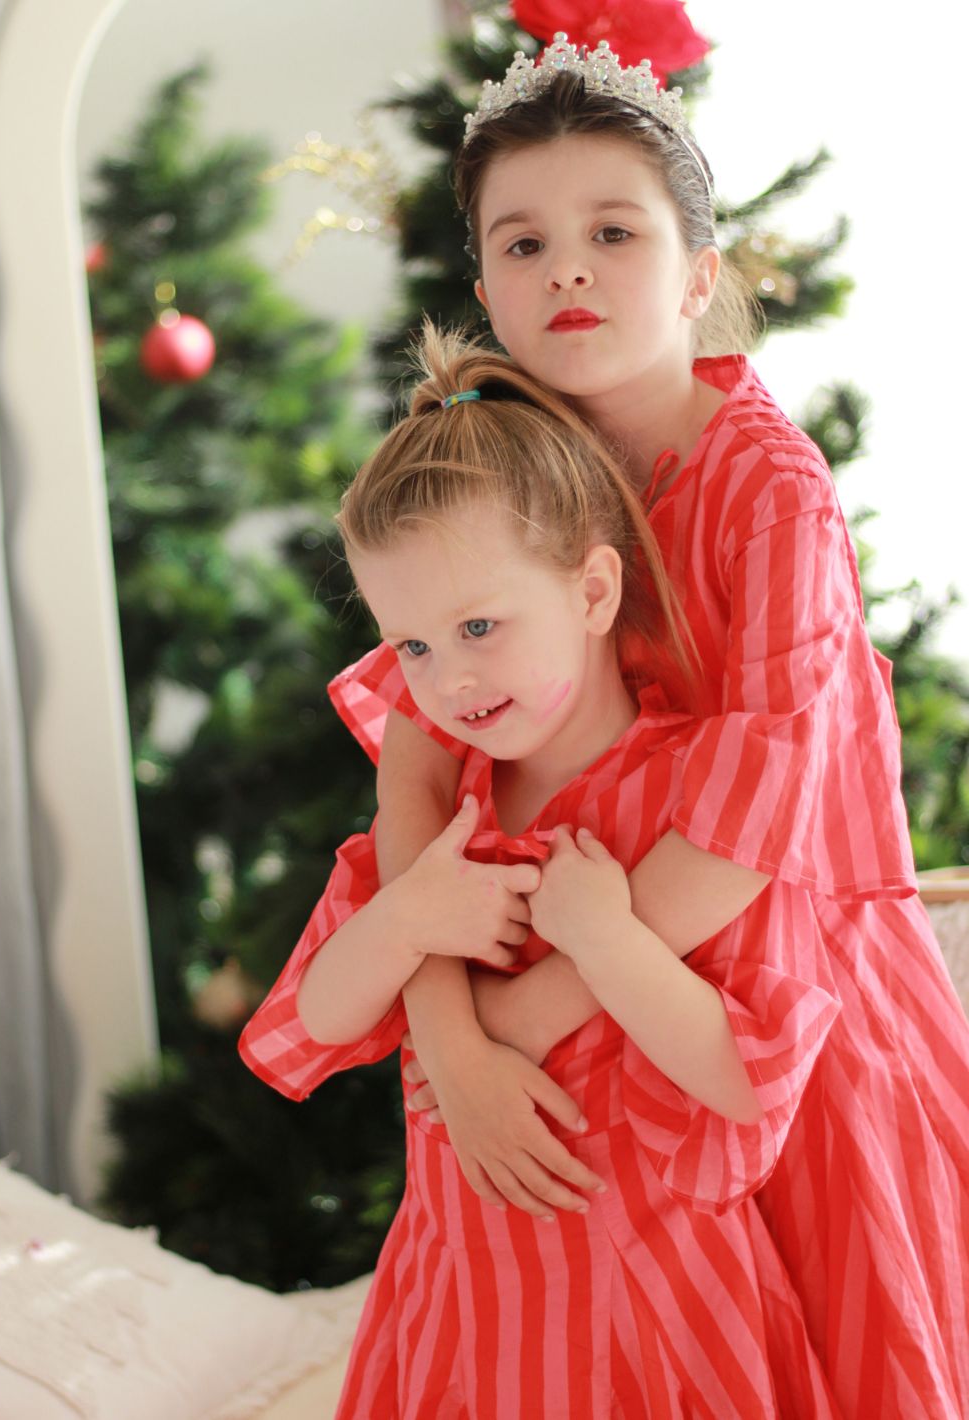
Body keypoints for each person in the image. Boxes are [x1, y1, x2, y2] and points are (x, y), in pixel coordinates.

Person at [320, 34, 969, 1417]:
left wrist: (531, 1018)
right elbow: (420, 790)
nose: (567, 267)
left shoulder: (769, 492)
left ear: (696, 273)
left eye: (613, 231)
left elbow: (748, 831)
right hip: (565, 959)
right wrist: (453, 1048)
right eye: (523, 240)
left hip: (771, 991)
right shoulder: (502, 452)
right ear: (483, 283)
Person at [241, 325, 853, 1414]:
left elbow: (741, 1080)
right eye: (413, 647)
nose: (448, 678)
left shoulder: (688, 812)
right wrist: (410, 913)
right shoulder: (444, 814)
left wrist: (608, 938)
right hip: (463, 1314)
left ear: (591, 590)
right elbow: (321, 1019)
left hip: (651, 1320)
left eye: (478, 624)